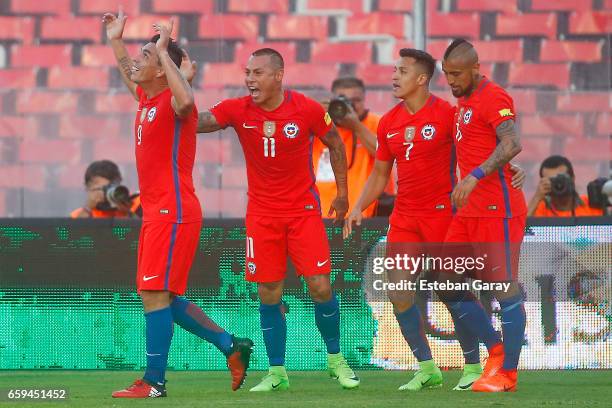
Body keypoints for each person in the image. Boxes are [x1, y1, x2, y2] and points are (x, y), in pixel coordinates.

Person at [344, 48, 526, 392]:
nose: (394, 76)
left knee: (454, 288)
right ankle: (427, 367)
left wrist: (509, 167)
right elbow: (381, 173)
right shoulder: (389, 122)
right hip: (405, 217)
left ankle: (474, 365)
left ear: (422, 78)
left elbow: (486, 145)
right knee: (399, 289)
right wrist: (357, 206)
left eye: (401, 70)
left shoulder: (446, 114)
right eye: (394, 70)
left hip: (444, 212)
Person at [103, 9, 253, 398]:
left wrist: (165, 50)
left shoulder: (173, 101)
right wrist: (115, 39)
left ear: (161, 69)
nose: (137, 61)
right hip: (159, 212)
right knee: (161, 295)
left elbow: (187, 102)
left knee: (154, 293)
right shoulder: (147, 98)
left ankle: (154, 382)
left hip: (174, 211)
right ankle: (229, 345)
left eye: (146, 57)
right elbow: (127, 71)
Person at [195, 48, 359, 391]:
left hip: (303, 212)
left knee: (320, 285)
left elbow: (336, 144)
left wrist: (343, 194)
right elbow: (196, 122)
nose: (249, 80)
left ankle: (336, 360)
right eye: (247, 73)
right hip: (262, 215)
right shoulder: (237, 109)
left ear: (278, 76)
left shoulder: (307, 109)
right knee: (269, 291)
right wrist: (179, 86)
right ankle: (277, 373)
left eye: (257, 73)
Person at [441, 38, 528, 392]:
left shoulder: (494, 96)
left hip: (498, 211)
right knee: (444, 280)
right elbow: (490, 146)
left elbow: (511, 143)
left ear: (476, 67)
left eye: (457, 73)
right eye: (446, 74)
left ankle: (508, 373)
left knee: (503, 289)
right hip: (469, 212)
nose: (451, 80)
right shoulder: (463, 101)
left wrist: (475, 176)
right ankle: (495, 348)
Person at [312, 77, 392, 217]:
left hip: (365, 215)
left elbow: (385, 153)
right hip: (321, 215)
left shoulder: (375, 122)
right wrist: (314, 113)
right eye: (343, 100)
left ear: (364, 99)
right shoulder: (321, 124)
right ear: (332, 101)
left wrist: (356, 126)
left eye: (356, 101)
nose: (350, 106)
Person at [528, 155, 603, 217]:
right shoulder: (538, 208)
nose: (558, 184)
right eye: (552, 180)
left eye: (561, 179)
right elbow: (520, 229)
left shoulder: (593, 204)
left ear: (573, 178)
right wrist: (537, 198)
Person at [70, 160, 142, 218]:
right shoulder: (78, 215)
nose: (107, 193)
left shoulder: (136, 204)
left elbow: (145, 231)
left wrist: (128, 212)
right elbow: (75, 234)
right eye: (103, 189)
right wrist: (88, 208)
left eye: (110, 188)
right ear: (88, 188)